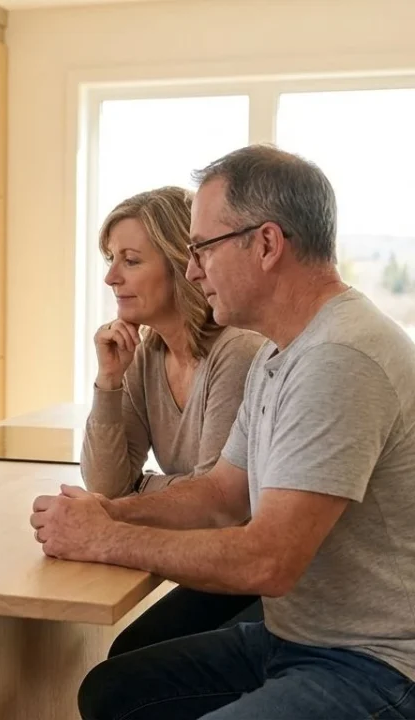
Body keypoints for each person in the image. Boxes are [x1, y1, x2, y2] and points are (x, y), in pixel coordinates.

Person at [31, 144, 415, 719]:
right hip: (296, 640)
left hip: (375, 662)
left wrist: (102, 539)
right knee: (112, 691)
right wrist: (108, 513)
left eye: (202, 249)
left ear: (265, 244)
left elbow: (268, 562)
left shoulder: (339, 357)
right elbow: (221, 495)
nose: (192, 270)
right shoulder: (282, 352)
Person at [81, 186, 264, 657]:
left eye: (130, 260)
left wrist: (143, 490)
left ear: (182, 265)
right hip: (216, 562)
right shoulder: (147, 353)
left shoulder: (237, 350)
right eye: (110, 259)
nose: (110, 277)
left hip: (255, 575)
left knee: (129, 658)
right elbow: (107, 484)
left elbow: (220, 505)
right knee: (128, 650)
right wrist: (108, 382)